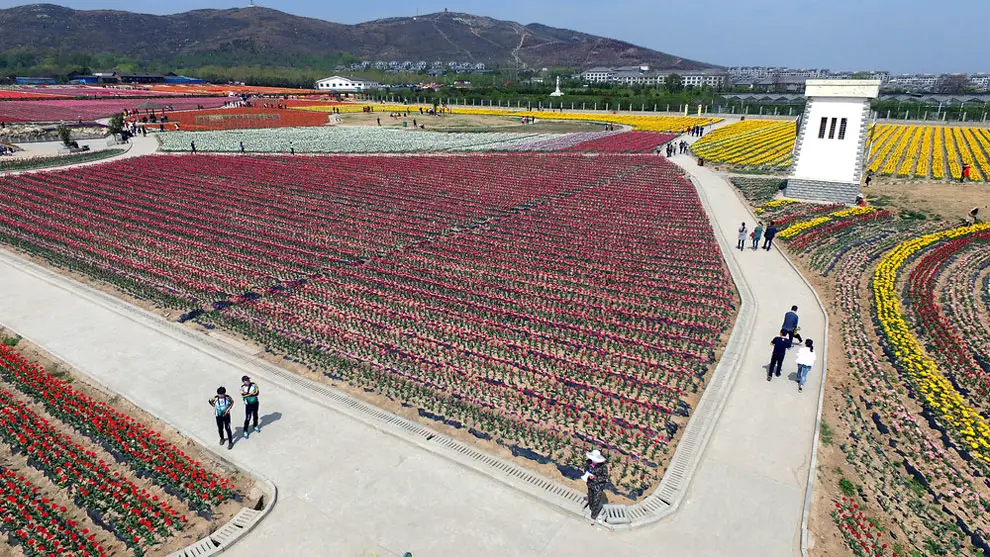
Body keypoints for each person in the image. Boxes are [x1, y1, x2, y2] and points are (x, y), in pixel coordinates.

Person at [583, 449, 609, 524]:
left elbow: (605, 477)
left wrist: (595, 478)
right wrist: (587, 474)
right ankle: (592, 508)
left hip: (598, 486)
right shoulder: (588, 462)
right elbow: (585, 469)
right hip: (590, 484)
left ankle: (593, 516)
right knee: (591, 499)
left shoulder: (603, 466)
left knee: (596, 501)